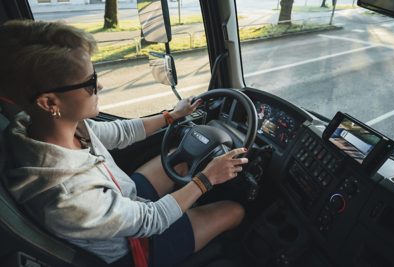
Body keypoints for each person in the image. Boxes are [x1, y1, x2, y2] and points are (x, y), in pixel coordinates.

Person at [0, 20, 248, 267]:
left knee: (179, 158)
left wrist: (171, 116)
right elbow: (151, 220)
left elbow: (118, 132)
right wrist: (206, 179)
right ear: (49, 103)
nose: (99, 85)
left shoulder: (39, 126)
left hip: (120, 197)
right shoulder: (66, 197)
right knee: (234, 211)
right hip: (134, 246)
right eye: (89, 83)